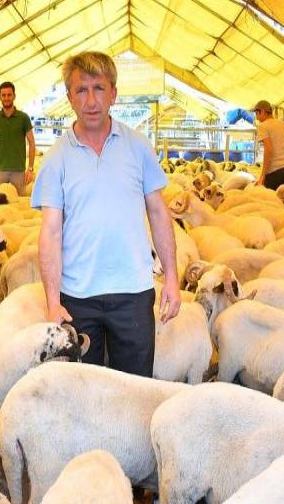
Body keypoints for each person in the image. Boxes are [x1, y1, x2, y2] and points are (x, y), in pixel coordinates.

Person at [30, 51, 180, 377]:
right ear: (69, 97)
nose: (91, 100)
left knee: (136, 388)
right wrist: (53, 302)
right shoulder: (56, 158)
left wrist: (171, 277)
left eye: (99, 88)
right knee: (84, 391)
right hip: (78, 298)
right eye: (81, 90)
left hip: (133, 292)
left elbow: (158, 211)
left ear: (114, 93)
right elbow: (51, 232)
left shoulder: (138, 147)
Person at [0, 81, 36, 192]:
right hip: (0, 170)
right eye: (3, 95)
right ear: (0, 97)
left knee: (18, 205)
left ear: (14, 96)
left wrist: (30, 168)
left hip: (18, 171)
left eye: (9, 95)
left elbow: (32, 143)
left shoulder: (23, 118)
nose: (6, 98)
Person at [254, 99, 284, 189]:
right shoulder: (283, 124)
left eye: (257, 114)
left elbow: (268, 150)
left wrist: (262, 176)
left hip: (275, 171)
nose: (256, 118)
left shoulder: (263, 126)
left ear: (263, 112)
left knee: (271, 202)